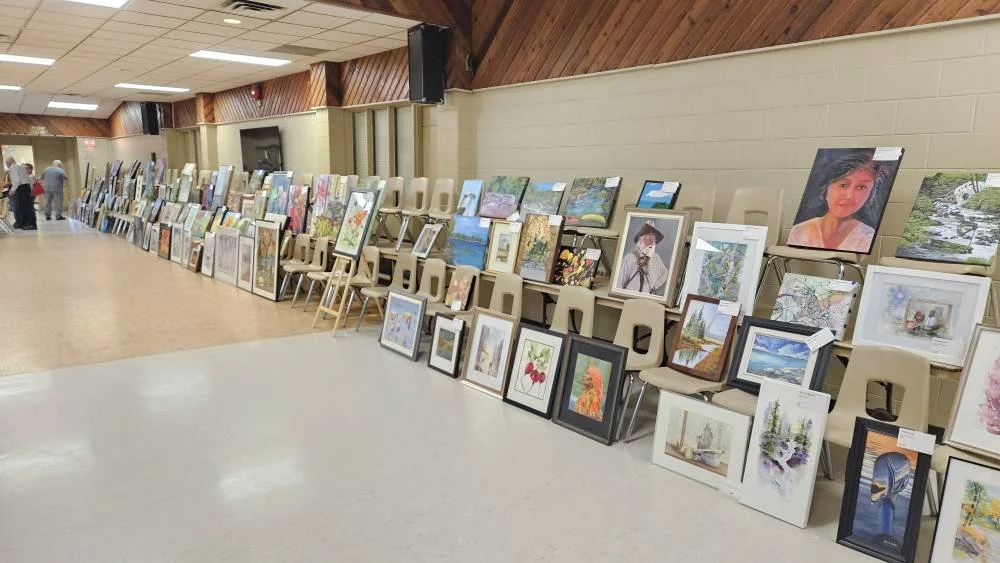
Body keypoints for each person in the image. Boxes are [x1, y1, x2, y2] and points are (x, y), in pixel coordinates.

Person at [787, 151, 891, 252]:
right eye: (843, 185)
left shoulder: (867, 237)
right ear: (827, 188)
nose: (849, 196)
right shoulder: (799, 232)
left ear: (870, 194)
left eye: (861, 187)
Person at [617, 220, 670, 295]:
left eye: (653, 237)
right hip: (630, 298)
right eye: (648, 236)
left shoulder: (656, 257)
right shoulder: (630, 258)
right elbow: (619, 283)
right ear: (640, 239)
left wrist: (654, 286)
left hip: (647, 299)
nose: (651, 240)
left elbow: (665, 273)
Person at [6, 157, 35, 230]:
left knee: (26, 207)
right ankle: (26, 223)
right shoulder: (20, 166)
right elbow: (27, 179)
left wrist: (11, 191)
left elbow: (16, 181)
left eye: (7, 164)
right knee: (26, 206)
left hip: (21, 188)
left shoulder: (13, 167)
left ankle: (32, 224)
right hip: (26, 187)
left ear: (8, 163)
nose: (7, 166)